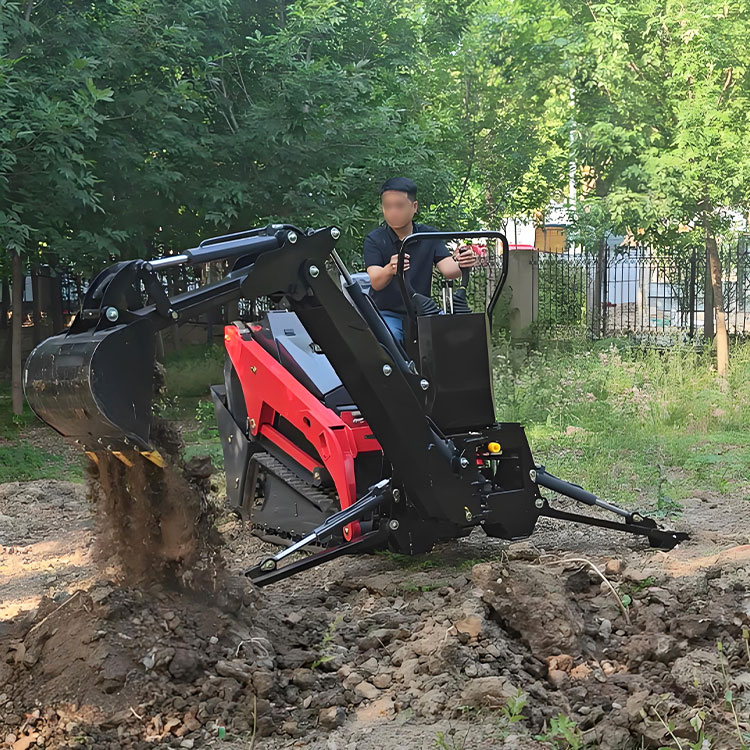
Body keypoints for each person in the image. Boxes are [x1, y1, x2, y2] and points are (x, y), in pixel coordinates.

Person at [363, 177, 477, 344]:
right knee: (390, 340)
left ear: (414, 207)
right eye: (388, 206)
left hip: (423, 311)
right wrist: (390, 269)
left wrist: (462, 261)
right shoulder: (375, 240)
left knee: (457, 334)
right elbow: (376, 281)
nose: (393, 212)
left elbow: (448, 270)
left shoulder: (428, 235)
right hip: (387, 313)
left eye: (399, 206)